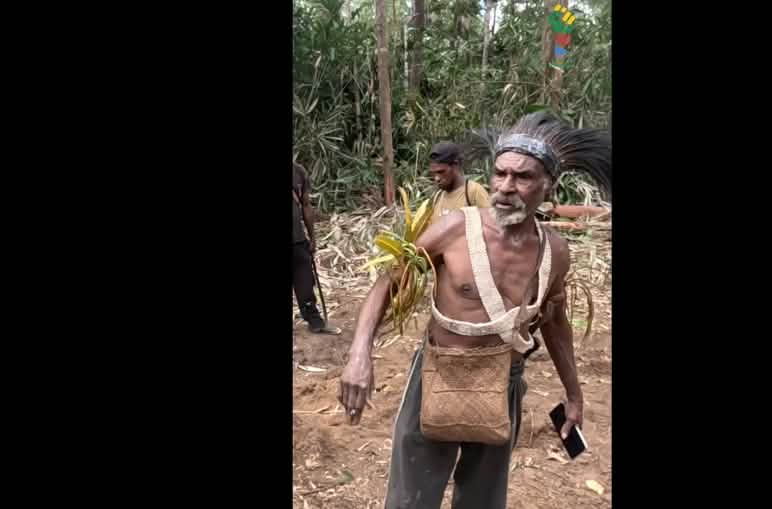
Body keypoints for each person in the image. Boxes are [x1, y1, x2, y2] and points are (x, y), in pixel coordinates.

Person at [338, 112, 611, 509]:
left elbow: (555, 322)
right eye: (500, 174)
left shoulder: (556, 251)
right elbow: (388, 281)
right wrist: (359, 355)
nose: (505, 187)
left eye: (522, 177)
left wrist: (574, 394)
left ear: (549, 184)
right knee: (410, 499)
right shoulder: (453, 229)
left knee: (482, 499)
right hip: (438, 373)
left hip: (504, 381)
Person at [292, 162, 326, 333]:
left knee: (305, 281)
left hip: (297, 240)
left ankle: (313, 319)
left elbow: (306, 206)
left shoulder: (298, 171)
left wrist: (312, 237)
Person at [427, 141, 490, 224]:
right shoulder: (437, 197)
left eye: (441, 172)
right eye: (433, 173)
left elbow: (492, 225)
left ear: (455, 165)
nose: (437, 178)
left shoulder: (473, 192)